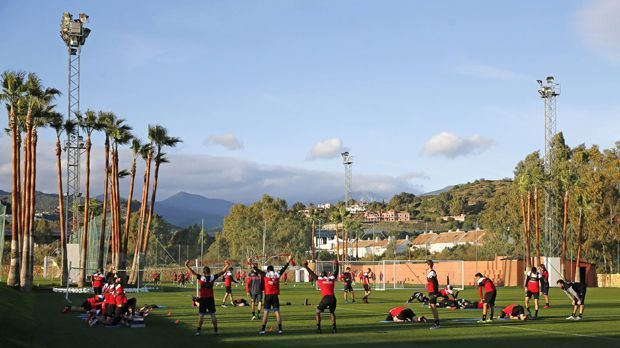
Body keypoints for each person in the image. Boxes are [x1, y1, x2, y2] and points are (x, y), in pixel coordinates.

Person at [185, 259, 230, 335]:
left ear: (203, 272)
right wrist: (227, 265)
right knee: (213, 314)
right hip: (210, 298)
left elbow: (192, 272)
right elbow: (222, 272)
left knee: (201, 315)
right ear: (209, 271)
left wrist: (187, 265)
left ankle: (198, 331)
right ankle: (216, 331)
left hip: (203, 298)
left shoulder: (201, 278)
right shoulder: (212, 277)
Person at [250, 256, 292, 335]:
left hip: (268, 296)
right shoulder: (277, 274)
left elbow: (256, 269)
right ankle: (280, 329)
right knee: (277, 313)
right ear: (273, 269)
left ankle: (262, 329)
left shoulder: (266, 275)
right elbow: (284, 268)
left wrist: (250, 262)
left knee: (266, 313)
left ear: (268, 270)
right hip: (275, 296)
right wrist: (288, 261)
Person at [303, 260, 339, 333]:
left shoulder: (320, 279)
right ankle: (334, 328)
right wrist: (337, 264)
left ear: (321, 275)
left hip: (326, 298)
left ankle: (318, 328)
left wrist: (306, 266)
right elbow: (336, 272)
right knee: (332, 313)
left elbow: (311, 273)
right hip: (333, 298)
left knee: (317, 312)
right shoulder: (331, 278)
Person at [426, 260, 441, 329]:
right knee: (433, 307)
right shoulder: (430, 273)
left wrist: (435, 293)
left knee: (433, 308)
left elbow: (435, 283)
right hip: (431, 292)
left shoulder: (432, 273)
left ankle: (437, 324)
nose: (425, 266)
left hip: (433, 293)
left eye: (426, 264)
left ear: (429, 265)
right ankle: (437, 323)